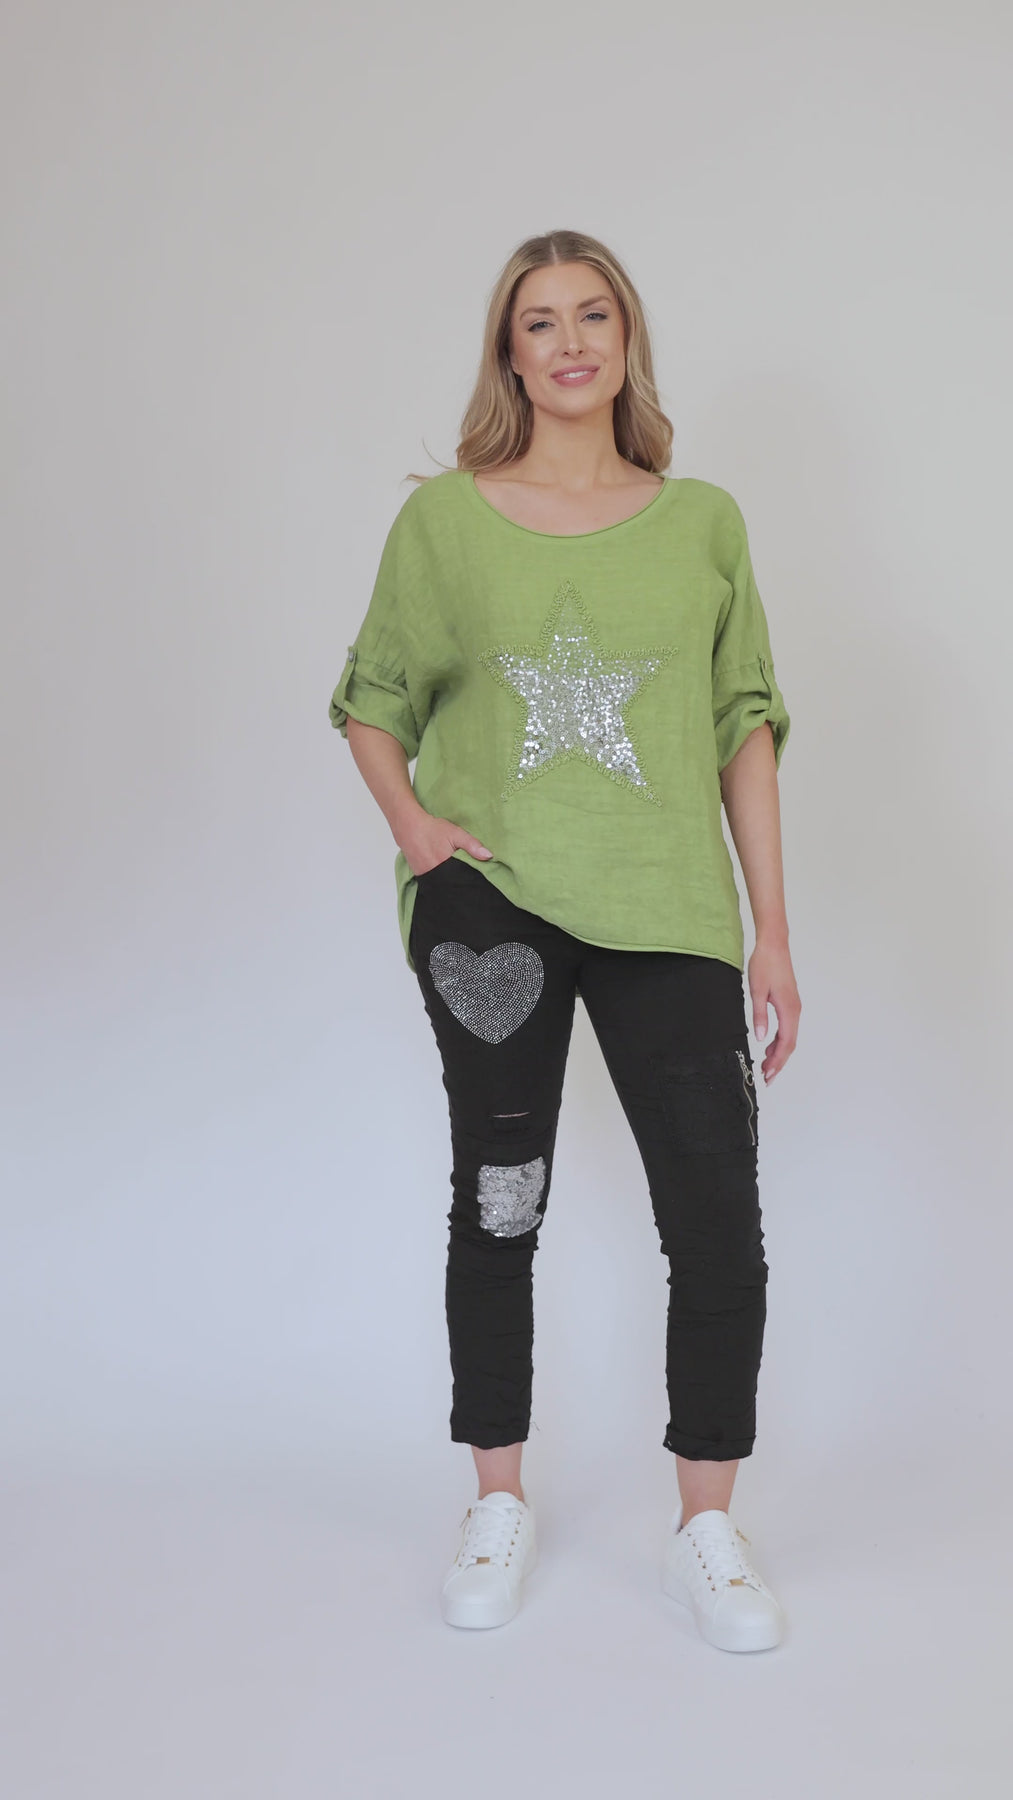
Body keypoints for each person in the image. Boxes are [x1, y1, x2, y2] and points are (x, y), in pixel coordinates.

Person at [329, 230, 800, 1654]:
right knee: (501, 1201)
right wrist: (418, 833)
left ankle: (706, 1528)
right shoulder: (445, 524)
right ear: (510, 356)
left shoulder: (703, 521)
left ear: (627, 338)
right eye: (540, 322)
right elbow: (372, 697)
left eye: (595, 314)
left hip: (670, 912)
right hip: (495, 912)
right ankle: (496, 1498)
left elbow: (745, 725)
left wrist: (771, 933)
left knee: (716, 1222)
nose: (572, 341)